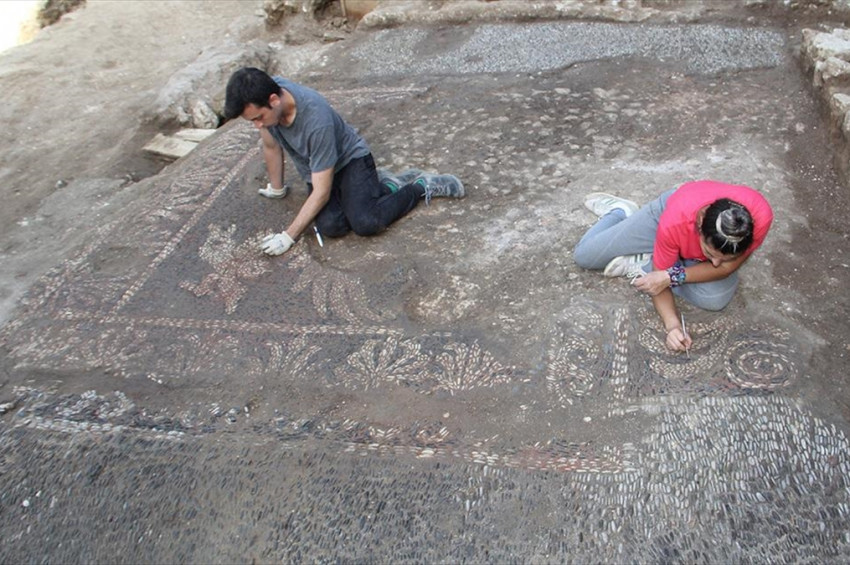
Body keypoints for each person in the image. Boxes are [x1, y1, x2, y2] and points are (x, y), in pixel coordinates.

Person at [223, 67, 465, 256]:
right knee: (332, 226)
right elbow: (270, 144)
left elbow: (321, 192)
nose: (257, 124)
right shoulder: (265, 96)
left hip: (351, 161)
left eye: (258, 118)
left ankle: (420, 187)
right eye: (252, 121)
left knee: (366, 222)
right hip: (318, 169)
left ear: (274, 100)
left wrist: (288, 236)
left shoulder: (315, 120)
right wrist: (277, 189)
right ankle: (387, 186)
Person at [573, 180, 773, 352]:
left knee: (714, 300)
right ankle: (618, 212)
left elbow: (725, 269)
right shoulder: (675, 221)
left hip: (684, 241)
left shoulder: (755, 221)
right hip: (669, 218)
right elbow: (658, 285)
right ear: (700, 224)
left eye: (726, 257)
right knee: (585, 256)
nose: (715, 264)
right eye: (710, 253)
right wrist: (672, 325)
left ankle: (646, 261)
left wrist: (670, 277)